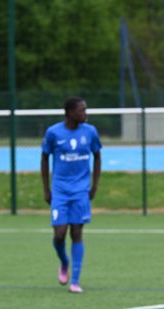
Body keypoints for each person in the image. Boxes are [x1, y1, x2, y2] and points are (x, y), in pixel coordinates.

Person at [41, 97, 102, 293]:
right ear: (70, 112)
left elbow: (97, 156)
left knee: (76, 233)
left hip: (81, 191)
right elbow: (44, 158)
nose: (85, 113)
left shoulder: (90, 132)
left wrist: (94, 185)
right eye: (82, 110)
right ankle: (64, 262)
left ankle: (75, 281)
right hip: (60, 191)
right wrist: (46, 189)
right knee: (59, 234)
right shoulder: (53, 132)